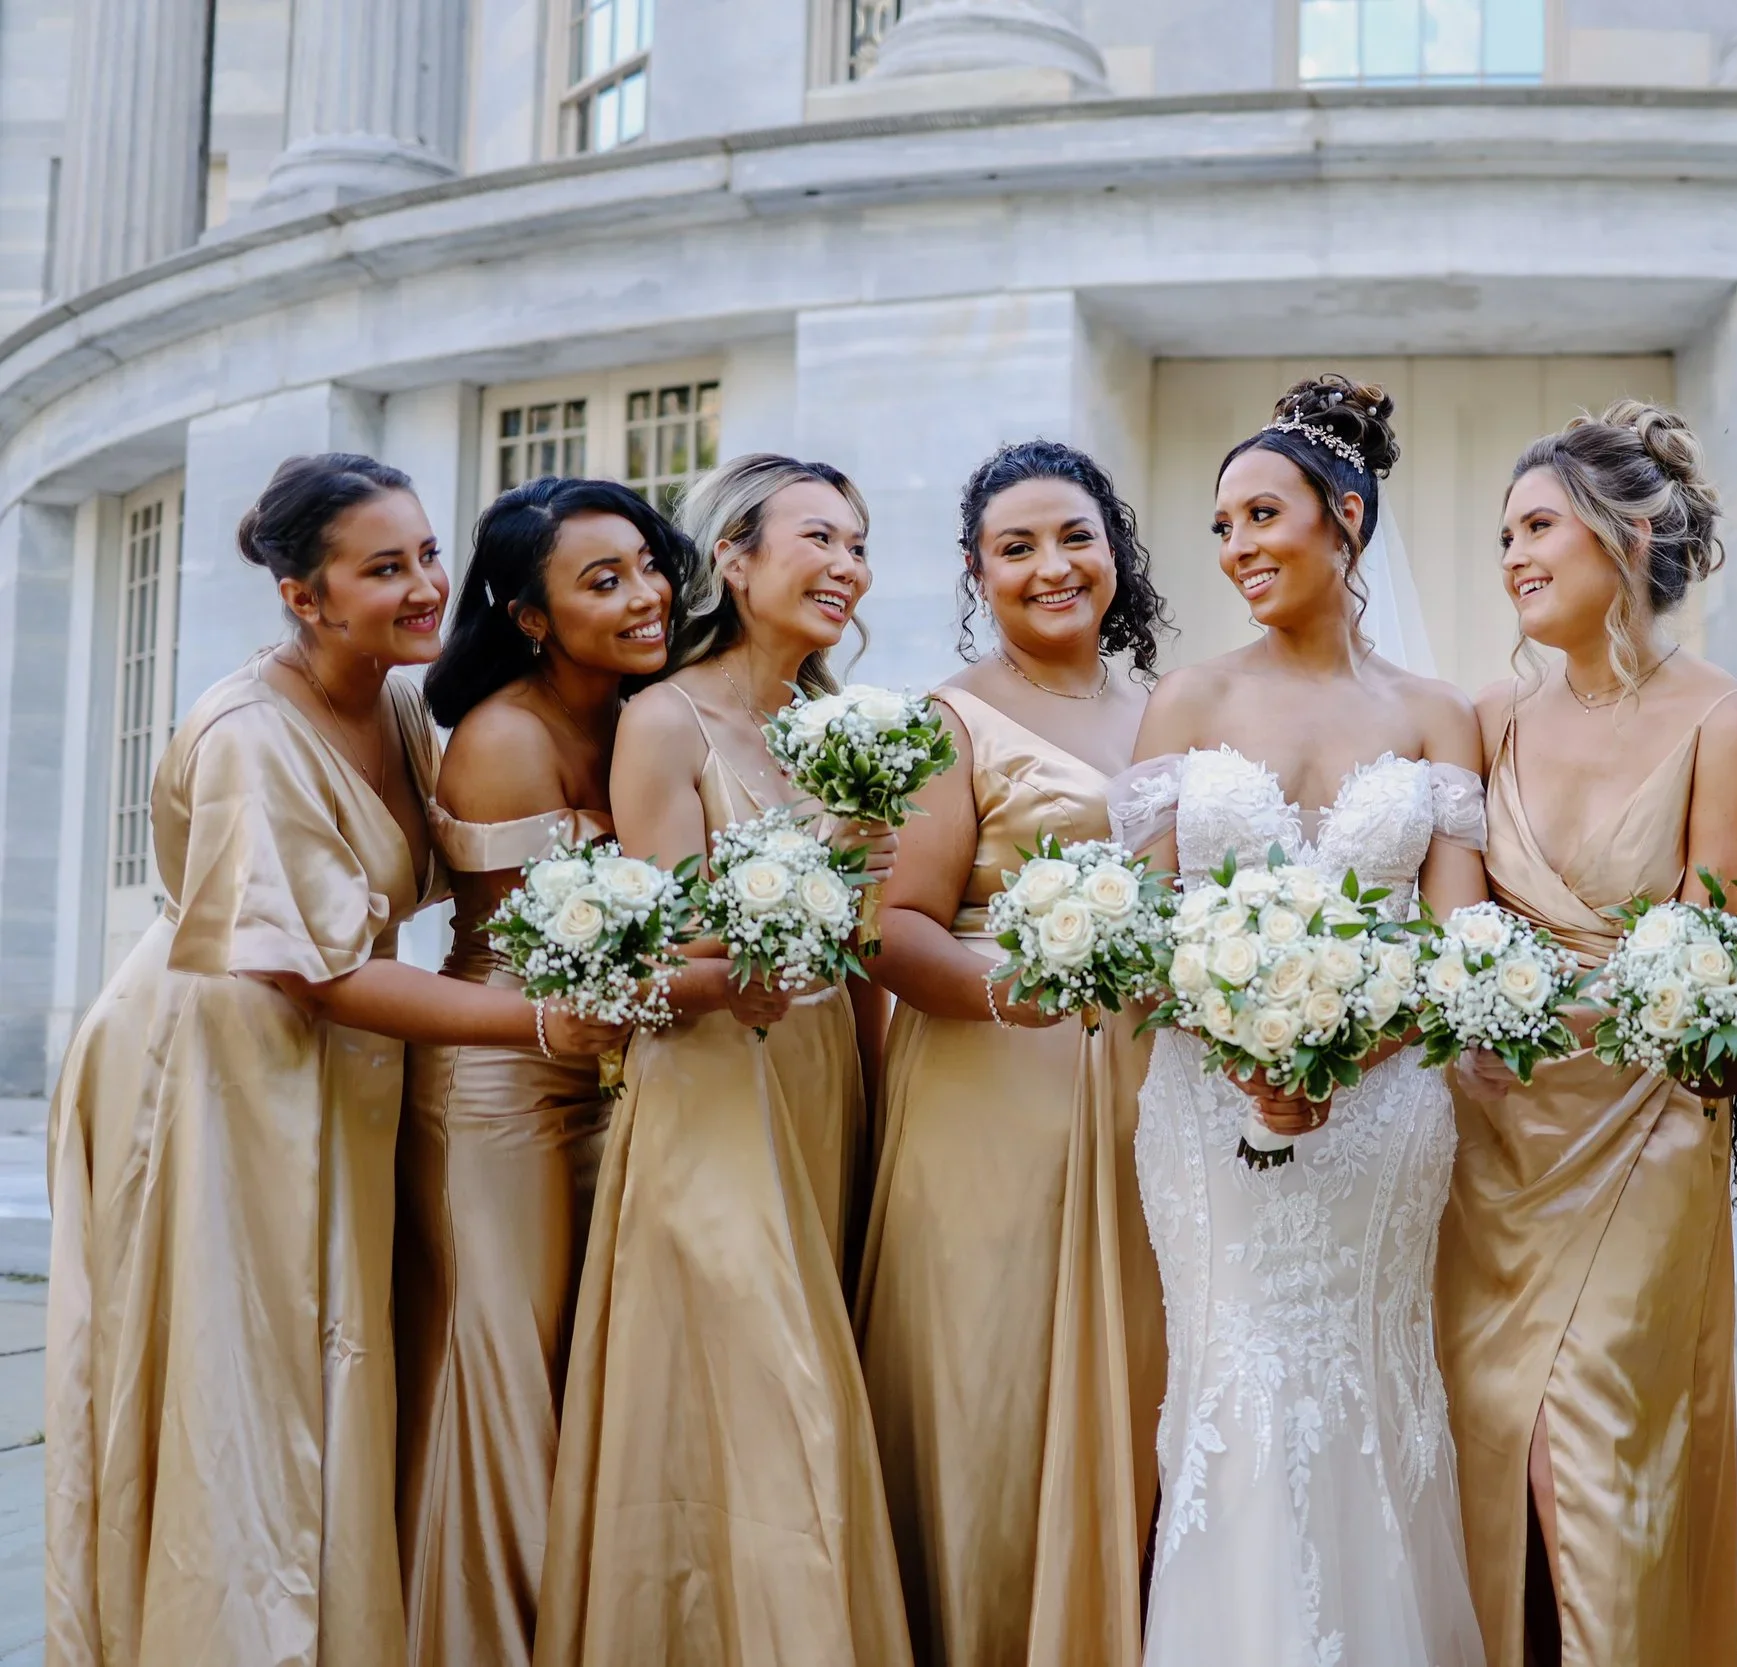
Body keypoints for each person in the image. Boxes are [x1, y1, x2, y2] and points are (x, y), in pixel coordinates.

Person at [45, 454, 622, 1667]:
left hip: (337, 1056)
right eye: (384, 567)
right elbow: (314, 968)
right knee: (241, 1370)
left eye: (425, 553)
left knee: (335, 1354)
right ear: (303, 597)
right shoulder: (255, 733)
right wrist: (541, 1023)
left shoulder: (401, 697)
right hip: (210, 1056)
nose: (425, 585)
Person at [1111, 375, 1489, 1667]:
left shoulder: (1440, 713)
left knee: (1372, 1398)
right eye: (1220, 525)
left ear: (1347, 517)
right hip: (1206, 1106)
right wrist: (1251, 1054)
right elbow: (1141, 932)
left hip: (1384, 1115)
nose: (1237, 548)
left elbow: (1453, 945)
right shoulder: (1187, 701)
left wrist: (1339, 1055)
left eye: (1261, 513)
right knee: (1235, 1387)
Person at [534, 454, 910, 1666]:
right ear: (735, 558)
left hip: (820, 1093)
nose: (847, 564)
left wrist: (879, 1085)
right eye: (819, 537)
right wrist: (734, 976)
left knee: (796, 1383)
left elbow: (859, 957)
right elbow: (640, 965)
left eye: (858, 543)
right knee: (772, 1385)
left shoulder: (837, 732)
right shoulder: (664, 720)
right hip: (710, 1099)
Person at [1438, 404, 1737, 1667]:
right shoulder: (1489, 718)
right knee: (1483, 1438)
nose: (1514, 555)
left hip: (1641, 1129)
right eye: (1504, 535)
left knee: (1586, 1452)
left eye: (1537, 525)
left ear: (1628, 533)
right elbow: (1449, 918)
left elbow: (1713, 951)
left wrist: (1542, 1001)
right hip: (1489, 1134)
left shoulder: (1724, 721)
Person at [856, 440, 1170, 1666]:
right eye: (1017, 547)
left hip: (1149, 1097)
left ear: (1115, 550)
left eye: (1075, 537)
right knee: (997, 1385)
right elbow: (895, 930)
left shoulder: (1169, 706)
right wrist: (1027, 991)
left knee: (1133, 1391)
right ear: (978, 573)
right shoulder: (951, 716)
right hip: (994, 1094)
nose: (1053, 566)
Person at [397, 478, 693, 1666]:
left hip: (603, 1069)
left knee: (586, 1371)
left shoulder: (639, 712)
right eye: (602, 580)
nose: (644, 594)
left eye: (647, 564)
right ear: (529, 614)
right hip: (499, 1084)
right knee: (508, 1374)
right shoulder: (506, 735)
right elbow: (556, 958)